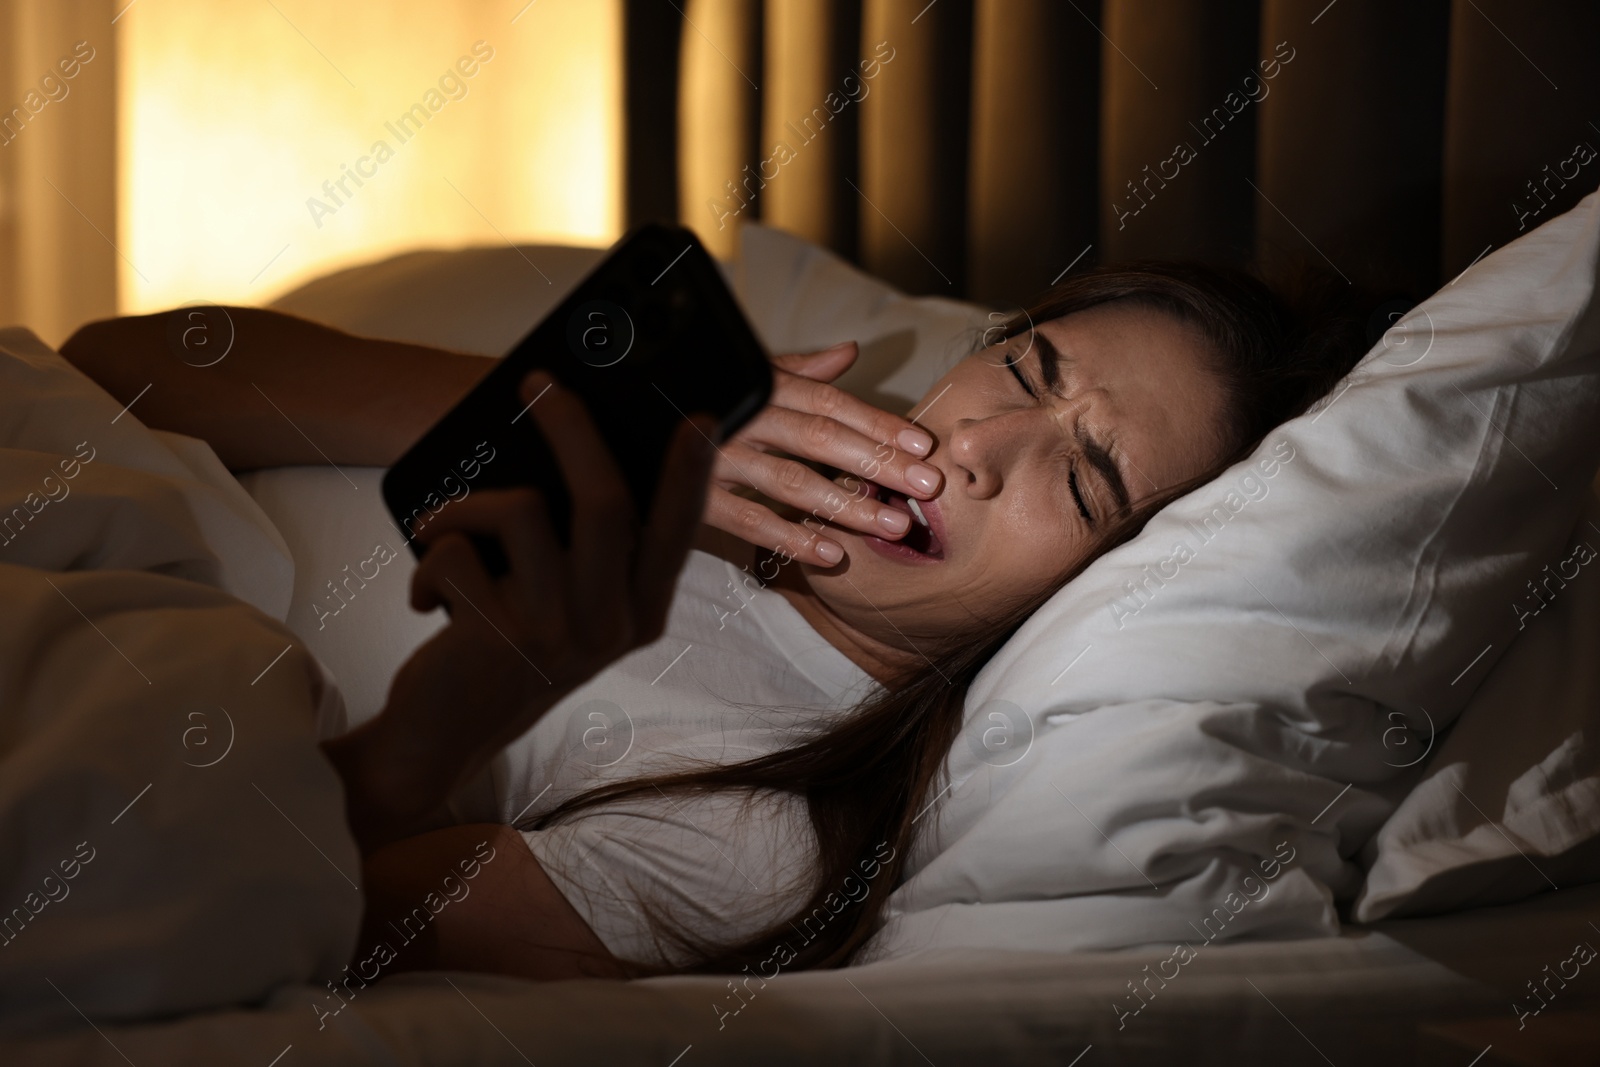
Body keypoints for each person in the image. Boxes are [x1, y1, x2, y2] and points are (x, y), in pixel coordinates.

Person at [59, 259, 1370, 983]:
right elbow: (121, 361)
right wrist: (580, 409)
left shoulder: (770, 827)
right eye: (1024, 370)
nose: (974, 445)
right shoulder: (683, 414)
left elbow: (232, 906)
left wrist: (460, 710)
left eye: (1081, 481)